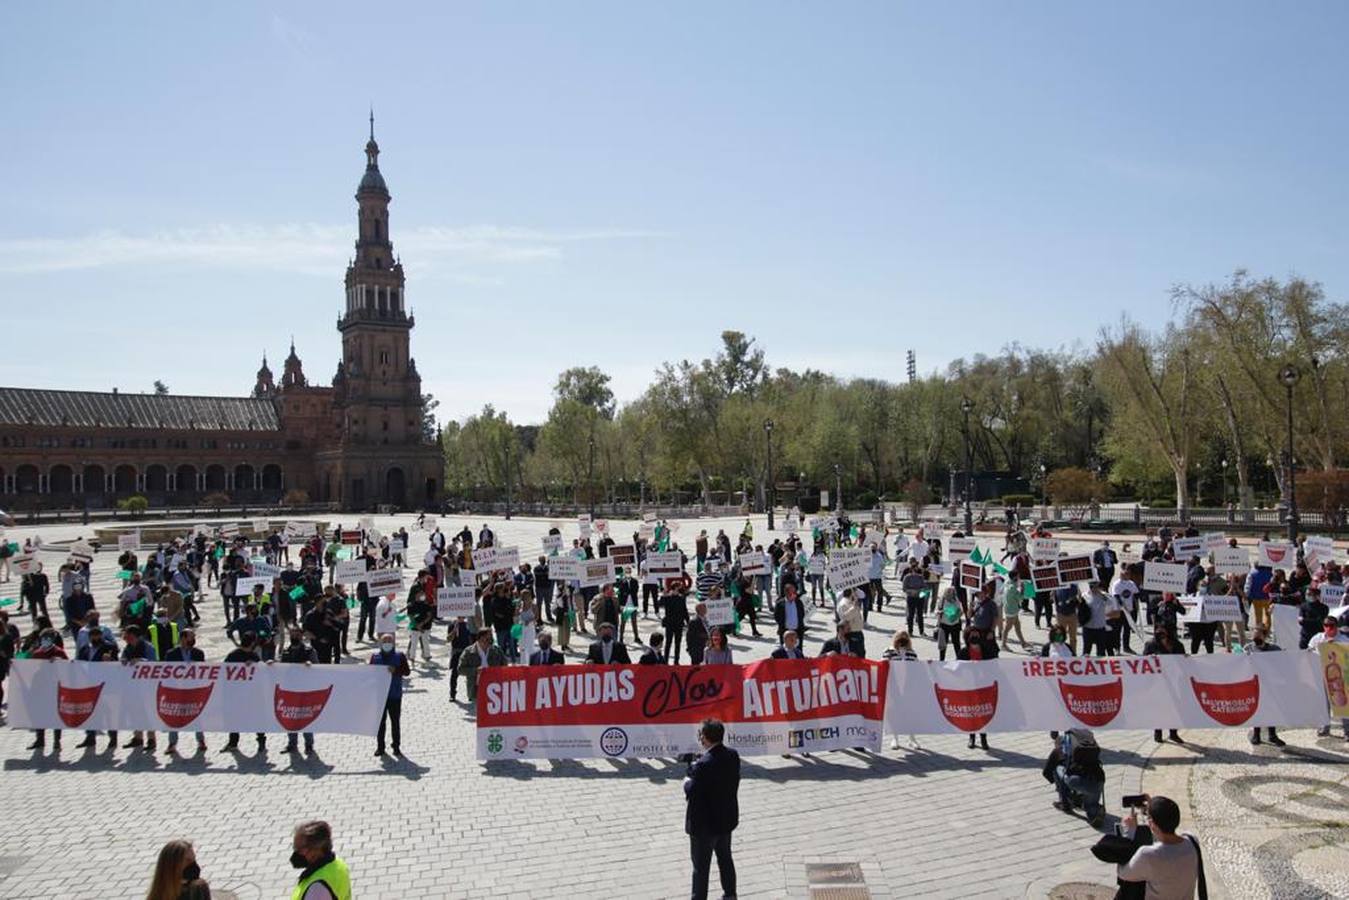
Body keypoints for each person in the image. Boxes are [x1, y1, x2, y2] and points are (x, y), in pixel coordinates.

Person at [684, 717, 740, 900]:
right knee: (725, 860)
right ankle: (730, 894)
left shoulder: (702, 766)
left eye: (701, 734)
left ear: (705, 738)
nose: (699, 738)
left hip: (704, 827)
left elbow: (692, 791)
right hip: (725, 821)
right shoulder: (732, 755)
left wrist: (687, 781)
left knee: (701, 868)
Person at [1116, 795, 1201, 899]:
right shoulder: (1192, 841)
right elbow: (1168, 839)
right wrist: (1156, 806)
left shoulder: (1148, 855)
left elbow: (1124, 874)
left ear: (1152, 824)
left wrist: (1130, 833)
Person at [1045, 728, 1106, 828]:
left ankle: (1065, 804)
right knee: (1091, 803)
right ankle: (1093, 813)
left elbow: (1047, 770)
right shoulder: (1089, 739)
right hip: (1099, 779)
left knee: (1057, 768)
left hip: (1077, 780)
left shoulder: (1062, 747)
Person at [164, 630, 208, 755]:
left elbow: (203, 670)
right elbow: (167, 671)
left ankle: (201, 741)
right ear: (183, 638)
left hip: (194, 690)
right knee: (174, 717)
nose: (193, 639)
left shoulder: (198, 653)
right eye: (191, 637)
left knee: (197, 715)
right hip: (177, 690)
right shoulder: (171, 654)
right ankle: (172, 743)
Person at [221, 632, 267, 753]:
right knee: (234, 718)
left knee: (256, 718)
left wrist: (256, 665)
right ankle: (233, 742)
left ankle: (261, 741)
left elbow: (262, 670)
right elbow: (224, 672)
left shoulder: (253, 656)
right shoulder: (234, 656)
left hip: (251, 694)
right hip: (237, 694)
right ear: (252, 643)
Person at [276, 628, 318, 754]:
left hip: (305, 690)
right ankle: (292, 743)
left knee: (306, 718)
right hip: (290, 690)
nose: (294, 636)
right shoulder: (285, 652)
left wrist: (310, 665)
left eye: (296, 634)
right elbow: (281, 669)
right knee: (291, 718)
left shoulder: (309, 651)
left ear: (301, 636)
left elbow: (318, 667)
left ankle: (309, 745)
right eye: (292, 634)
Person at [1242, 628, 1286, 746]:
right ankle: (1256, 734)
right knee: (1257, 709)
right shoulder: (1248, 648)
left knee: (1272, 709)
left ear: (1265, 636)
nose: (1255, 638)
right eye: (1253, 635)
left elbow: (1285, 661)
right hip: (1255, 684)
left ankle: (1272, 735)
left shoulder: (1274, 649)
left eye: (1258, 635)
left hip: (1271, 684)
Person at [1143, 626, 1187, 744]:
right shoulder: (1151, 645)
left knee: (1175, 708)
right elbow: (1142, 662)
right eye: (1158, 631)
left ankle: (1173, 733)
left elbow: (1184, 661)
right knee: (1159, 708)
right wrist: (1149, 659)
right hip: (1158, 682)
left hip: (1174, 681)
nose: (1160, 633)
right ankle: (1158, 733)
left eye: (1163, 630)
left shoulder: (1177, 645)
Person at [26, 628, 68, 750]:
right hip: (39, 687)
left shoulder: (59, 652)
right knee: (39, 715)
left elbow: (68, 666)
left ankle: (57, 740)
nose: (44, 641)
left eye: (47, 638)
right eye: (43, 638)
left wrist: (59, 661)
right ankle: (40, 739)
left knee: (56, 715)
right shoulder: (37, 652)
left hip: (54, 687)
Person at [1309, 616, 1349, 740]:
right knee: (1323, 702)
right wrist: (1322, 647)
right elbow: (1309, 651)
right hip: (1321, 674)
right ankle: (1324, 727)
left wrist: (1336, 646)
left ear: (1336, 627)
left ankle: (1347, 730)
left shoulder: (1343, 639)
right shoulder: (1317, 638)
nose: (1329, 628)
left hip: (1339, 677)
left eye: (1331, 626)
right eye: (1326, 625)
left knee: (1342, 703)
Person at [290, 820, 352, 900]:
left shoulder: (316, 890)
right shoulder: (337, 863)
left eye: (299, 849)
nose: (296, 853)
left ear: (316, 849)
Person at [958, 626, 998, 750]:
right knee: (971, 713)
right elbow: (956, 667)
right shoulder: (964, 652)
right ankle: (972, 737)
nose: (975, 637)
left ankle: (983, 738)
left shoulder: (986, 650)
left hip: (983, 686)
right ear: (967, 638)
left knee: (982, 713)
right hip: (969, 686)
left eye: (977, 635)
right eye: (972, 636)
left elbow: (995, 661)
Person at [371, 632, 410, 756]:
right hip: (380, 695)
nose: (387, 643)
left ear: (393, 643)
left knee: (395, 722)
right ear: (380, 643)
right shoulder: (375, 657)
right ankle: (380, 747)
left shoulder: (400, 656)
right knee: (380, 723)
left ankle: (396, 746)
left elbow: (407, 671)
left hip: (395, 695)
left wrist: (396, 670)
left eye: (389, 641)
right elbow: (369, 674)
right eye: (385, 641)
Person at [120, 625, 159, 750]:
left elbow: (154, 663)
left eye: (128, 636)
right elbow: (123, 657)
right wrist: (124, 660)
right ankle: (137, 737)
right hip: (132, 686)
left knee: (148, 712)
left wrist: (141, 661)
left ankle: (151, 739)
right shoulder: (128, 648)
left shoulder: (148, 647)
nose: (126, 639)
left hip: (147, 685)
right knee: (134, 712)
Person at [145, 838, 210, 900]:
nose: (194, 865)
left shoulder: (199, 889)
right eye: (188, 860)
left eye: (194, 859)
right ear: (172, 867)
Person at [457, 628, 507, 705]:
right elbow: (460, 669)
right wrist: (475, 670)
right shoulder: (468, 652)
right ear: (480, 638)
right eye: (487, 639)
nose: (490, 641)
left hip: (494, 688)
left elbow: (505, 666)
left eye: (491, 638)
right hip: (476, 688)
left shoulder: (496, 650)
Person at [447, 615, 476, 700]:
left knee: (470, 674)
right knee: (454, 674)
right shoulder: (452, 625)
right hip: (456, 652)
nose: (461, 618)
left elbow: (471, 638)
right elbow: (448, 639)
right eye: (459, 616)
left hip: (466, 652)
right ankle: (452, 694)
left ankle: (471, 693)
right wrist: (454, 630)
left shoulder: (468, 625)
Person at [661, 584, 690, 663]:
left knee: (678, 643)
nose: (678, 591)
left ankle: (676, 661)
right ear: (673, 589)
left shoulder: (681, 598)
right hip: (669, 624)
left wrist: (688, 622)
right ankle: (665, 660)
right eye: (676, 589)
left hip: (679, 623)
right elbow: (660, 604)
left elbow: (685, 611)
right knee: (668, 643)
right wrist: (663, 595)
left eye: (678, 590)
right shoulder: (668, 598)